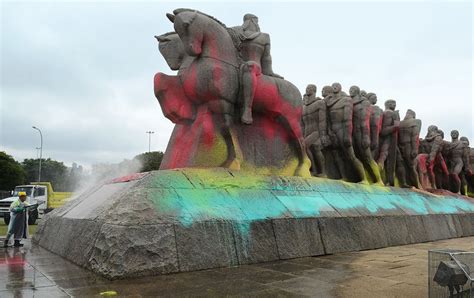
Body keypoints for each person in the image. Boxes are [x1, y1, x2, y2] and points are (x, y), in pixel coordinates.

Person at [229, 13, 282, 124]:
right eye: (256, 21)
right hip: (236, 65)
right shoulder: (236, 33)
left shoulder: (264, 37)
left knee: (250, 65)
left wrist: (269, 72)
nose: (257, 24)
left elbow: (266, 57)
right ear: (252, 21)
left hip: (255, 67)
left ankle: (247, 109)